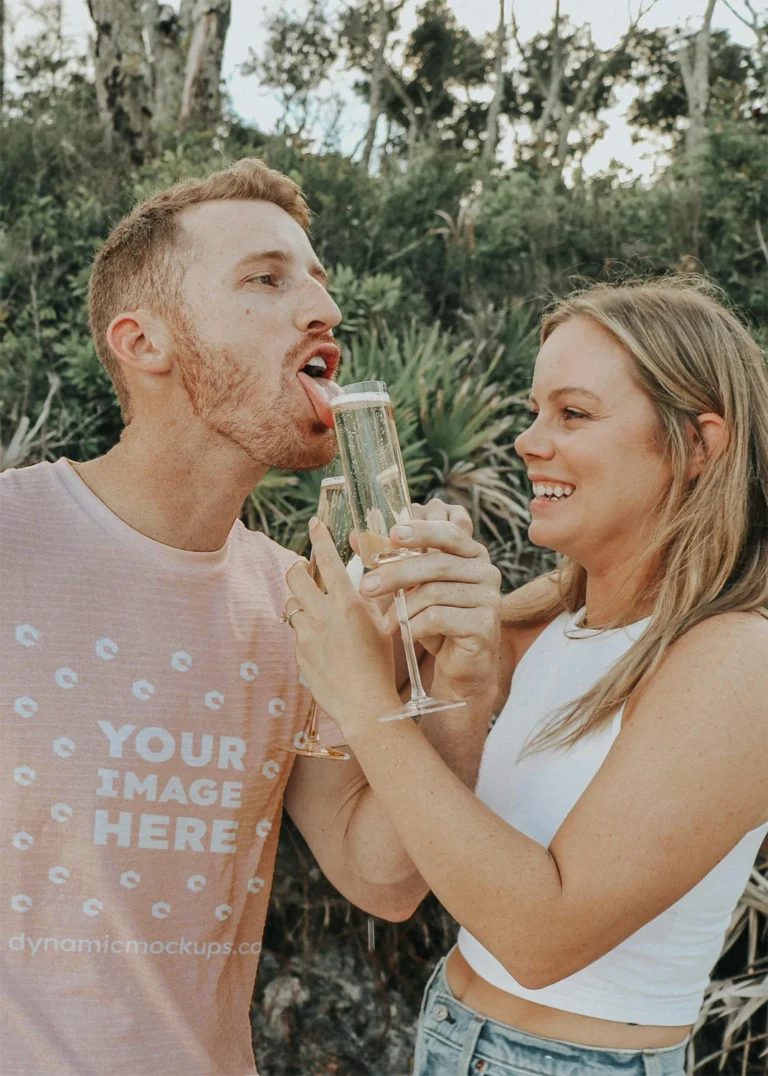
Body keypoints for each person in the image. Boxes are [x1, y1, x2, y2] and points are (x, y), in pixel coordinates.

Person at [0, 158, 501, 1076]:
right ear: (143, 341)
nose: (323, 310)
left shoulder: (295, 602)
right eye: (267, 280)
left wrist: (464, 683)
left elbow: (381, 877)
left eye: (317, 280)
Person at [285, 278, 768, 1076]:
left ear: (698, 445)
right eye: (536, 410)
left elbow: (542, 937)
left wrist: (368, 702)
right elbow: (381, 873)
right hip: (449, 1028)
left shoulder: (737, 658)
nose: (529, 442)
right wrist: (445, 669)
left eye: (572, 413)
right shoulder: (544, 617)